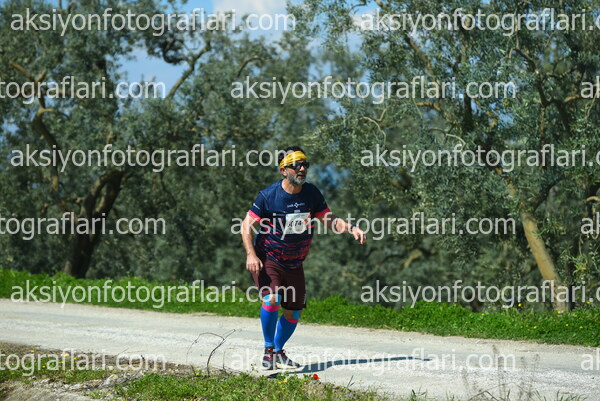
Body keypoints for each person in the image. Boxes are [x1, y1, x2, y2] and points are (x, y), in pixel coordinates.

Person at [241, 146, 367, 370]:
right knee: (272, 299)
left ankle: (278, 351)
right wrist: (251, 254)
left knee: (293, 312)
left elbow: (329, 220)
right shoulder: (268, 196)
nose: (302, 169)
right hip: (269, 258)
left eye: (305, 165)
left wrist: (352, 228)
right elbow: (246, 225)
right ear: (283, 170)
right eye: (296, 165)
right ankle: (268, 350)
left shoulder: (311, 193)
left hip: (295, 262)